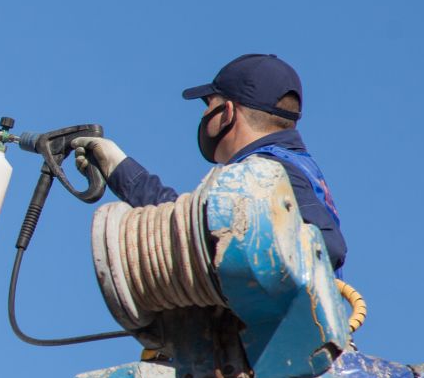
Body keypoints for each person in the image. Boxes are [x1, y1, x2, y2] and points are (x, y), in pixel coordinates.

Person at [72, 53, 347, 271]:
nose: (205, 114)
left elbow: (328, 246)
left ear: (227, 112)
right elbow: (191, 224)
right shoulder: (289, 166)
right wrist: (117, 166)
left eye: (209, 105)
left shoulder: (270, 172)